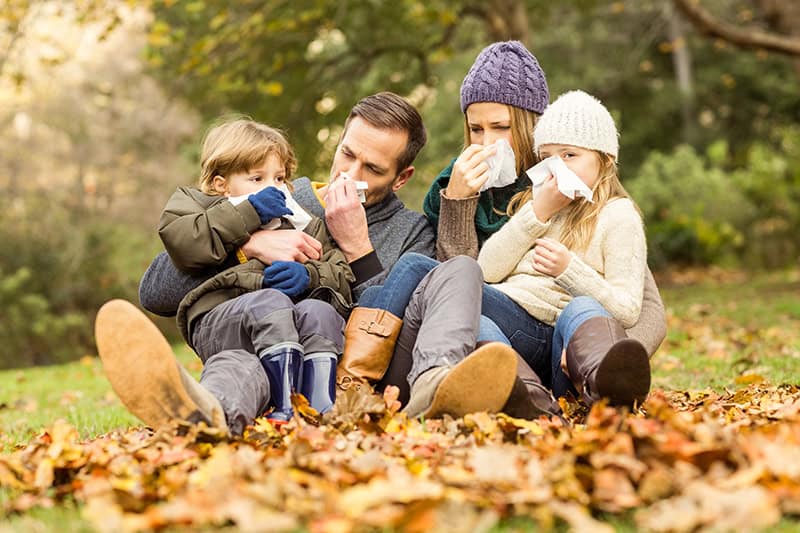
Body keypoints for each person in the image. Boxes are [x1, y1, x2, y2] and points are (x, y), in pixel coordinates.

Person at [354, 41, 666, 414]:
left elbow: (644, 307)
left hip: (564, 344)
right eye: (475, 129)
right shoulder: (452, 189)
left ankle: (600, 386)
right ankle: (518, 399)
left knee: (568, 308)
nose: (487, 143)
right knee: (439, 287)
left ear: (532, 126)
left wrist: (593, 349)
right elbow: (459, 283)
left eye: (501, 127)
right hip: (493, 335)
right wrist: (458, 204)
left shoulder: (570, 183)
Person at [97, 119, 355, 434]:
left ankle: (309, 413)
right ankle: (198, 410)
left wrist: (309, 275)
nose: (272, 188)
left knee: (310, 318)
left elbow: (340, 273)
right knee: (256, 322)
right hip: (221, 322)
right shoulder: (196, 206)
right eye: (257, 178)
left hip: (280, 337)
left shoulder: (302, 222)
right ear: (221, 184)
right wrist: (250, 214)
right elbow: (184, 241)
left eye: (279, 178)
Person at [478, 89, 651, 407]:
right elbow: (486, 270)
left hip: (564, 345)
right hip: (517, 329)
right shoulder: (537, 203)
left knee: (581, 308)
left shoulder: (618, 216)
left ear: (605, 159)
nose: (557, 167)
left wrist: (568, 270)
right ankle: (526, 397)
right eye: (547, 158)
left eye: (569, 155)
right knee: (464, 295)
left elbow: (627, 310)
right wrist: (538, 212)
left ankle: (607, 389)